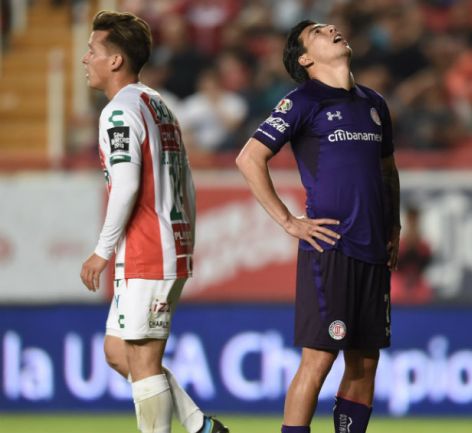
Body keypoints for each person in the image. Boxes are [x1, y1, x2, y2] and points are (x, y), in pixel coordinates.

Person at [235, 20, 400, 433]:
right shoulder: (302, 101)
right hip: (331, 247)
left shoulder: (374, 103)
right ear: (305, 58)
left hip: (374, 248)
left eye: (331, 27)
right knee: (320, 359)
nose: (334, 30)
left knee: (365, 362)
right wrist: (289, 221)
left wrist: (392, 224)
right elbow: (249, 158)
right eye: (319, 32)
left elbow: (387, 169)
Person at [78, 10, 228, 433]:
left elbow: (125, 187)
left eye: (92, 51)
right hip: (162, 244)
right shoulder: (157, 104)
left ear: (115, 61)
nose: (84, 58)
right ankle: (199, 425)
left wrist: (100, 251)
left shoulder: (118, 112)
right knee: (116, 351)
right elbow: (186, 181)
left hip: (147, 248)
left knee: (143, 362)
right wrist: (187, 241)